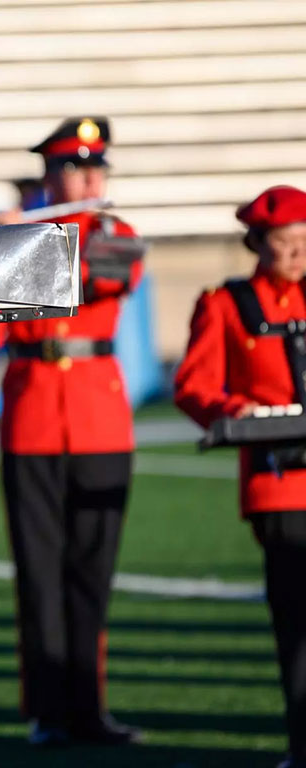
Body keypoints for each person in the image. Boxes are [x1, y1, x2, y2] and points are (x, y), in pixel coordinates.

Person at [0, 116, 145, 746]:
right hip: (31, 419)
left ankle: (90, 708)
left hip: (101, 422)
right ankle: (47, 711)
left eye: (93, 167)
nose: (85, 177)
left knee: (91, 571)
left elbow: (97, 278)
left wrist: (11, 248)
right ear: (50, 177)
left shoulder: (115, 232)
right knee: (38, 570)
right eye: (72, 168)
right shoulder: (16, 236)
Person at [175, 185, 306, 768]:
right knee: (297, 624)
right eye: (285, 243)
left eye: (305, 242)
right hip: (280, 484)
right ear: (257, 243)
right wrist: (236, 413)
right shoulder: (227, 304)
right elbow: (194, 386)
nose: (297, 255)